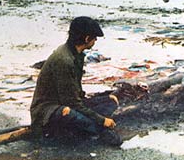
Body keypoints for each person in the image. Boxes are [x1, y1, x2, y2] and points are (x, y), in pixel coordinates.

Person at [30, 16, 122, 146]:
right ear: (86, 38)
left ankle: (87, 128)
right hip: (49, 110)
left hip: (69, 103)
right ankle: (99, 131)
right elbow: (71, 103)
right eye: (94, 37)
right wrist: (101, 121)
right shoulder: (64, 60)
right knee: (69, 113)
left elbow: (76, 95)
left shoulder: (77, 55)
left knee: (111, 100)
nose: (95, 40)